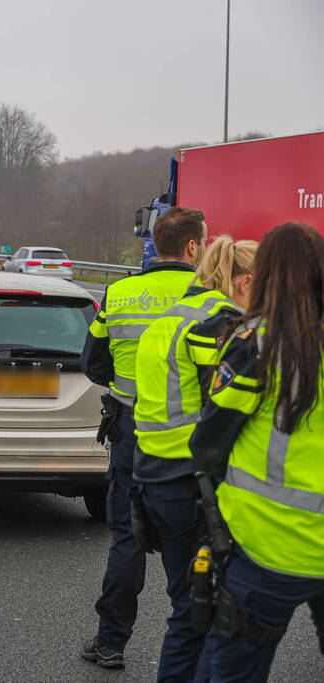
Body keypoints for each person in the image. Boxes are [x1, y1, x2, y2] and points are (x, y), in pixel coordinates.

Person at [190, 222, 324, 681]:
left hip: (266, 547)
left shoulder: (256, 345)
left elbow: (209, 442)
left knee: (234, 669)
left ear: (263, 276)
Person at [79, 206, 207, 669]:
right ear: (193, 247)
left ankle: (111, 642)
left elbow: (91, 364)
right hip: (189, 441)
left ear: (156, 243)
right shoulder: (206, 296)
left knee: (126, 539)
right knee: (189, 546)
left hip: (131, 431)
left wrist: (128, 386)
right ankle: (191, 648)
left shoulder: (119, 293)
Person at [132, 236, 257, 681]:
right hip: (193, 483)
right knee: (200, 611)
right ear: (244, 283)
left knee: (190, 605)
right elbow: (232, 405)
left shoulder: (170, 319)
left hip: (155, 477)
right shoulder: (219, 325)